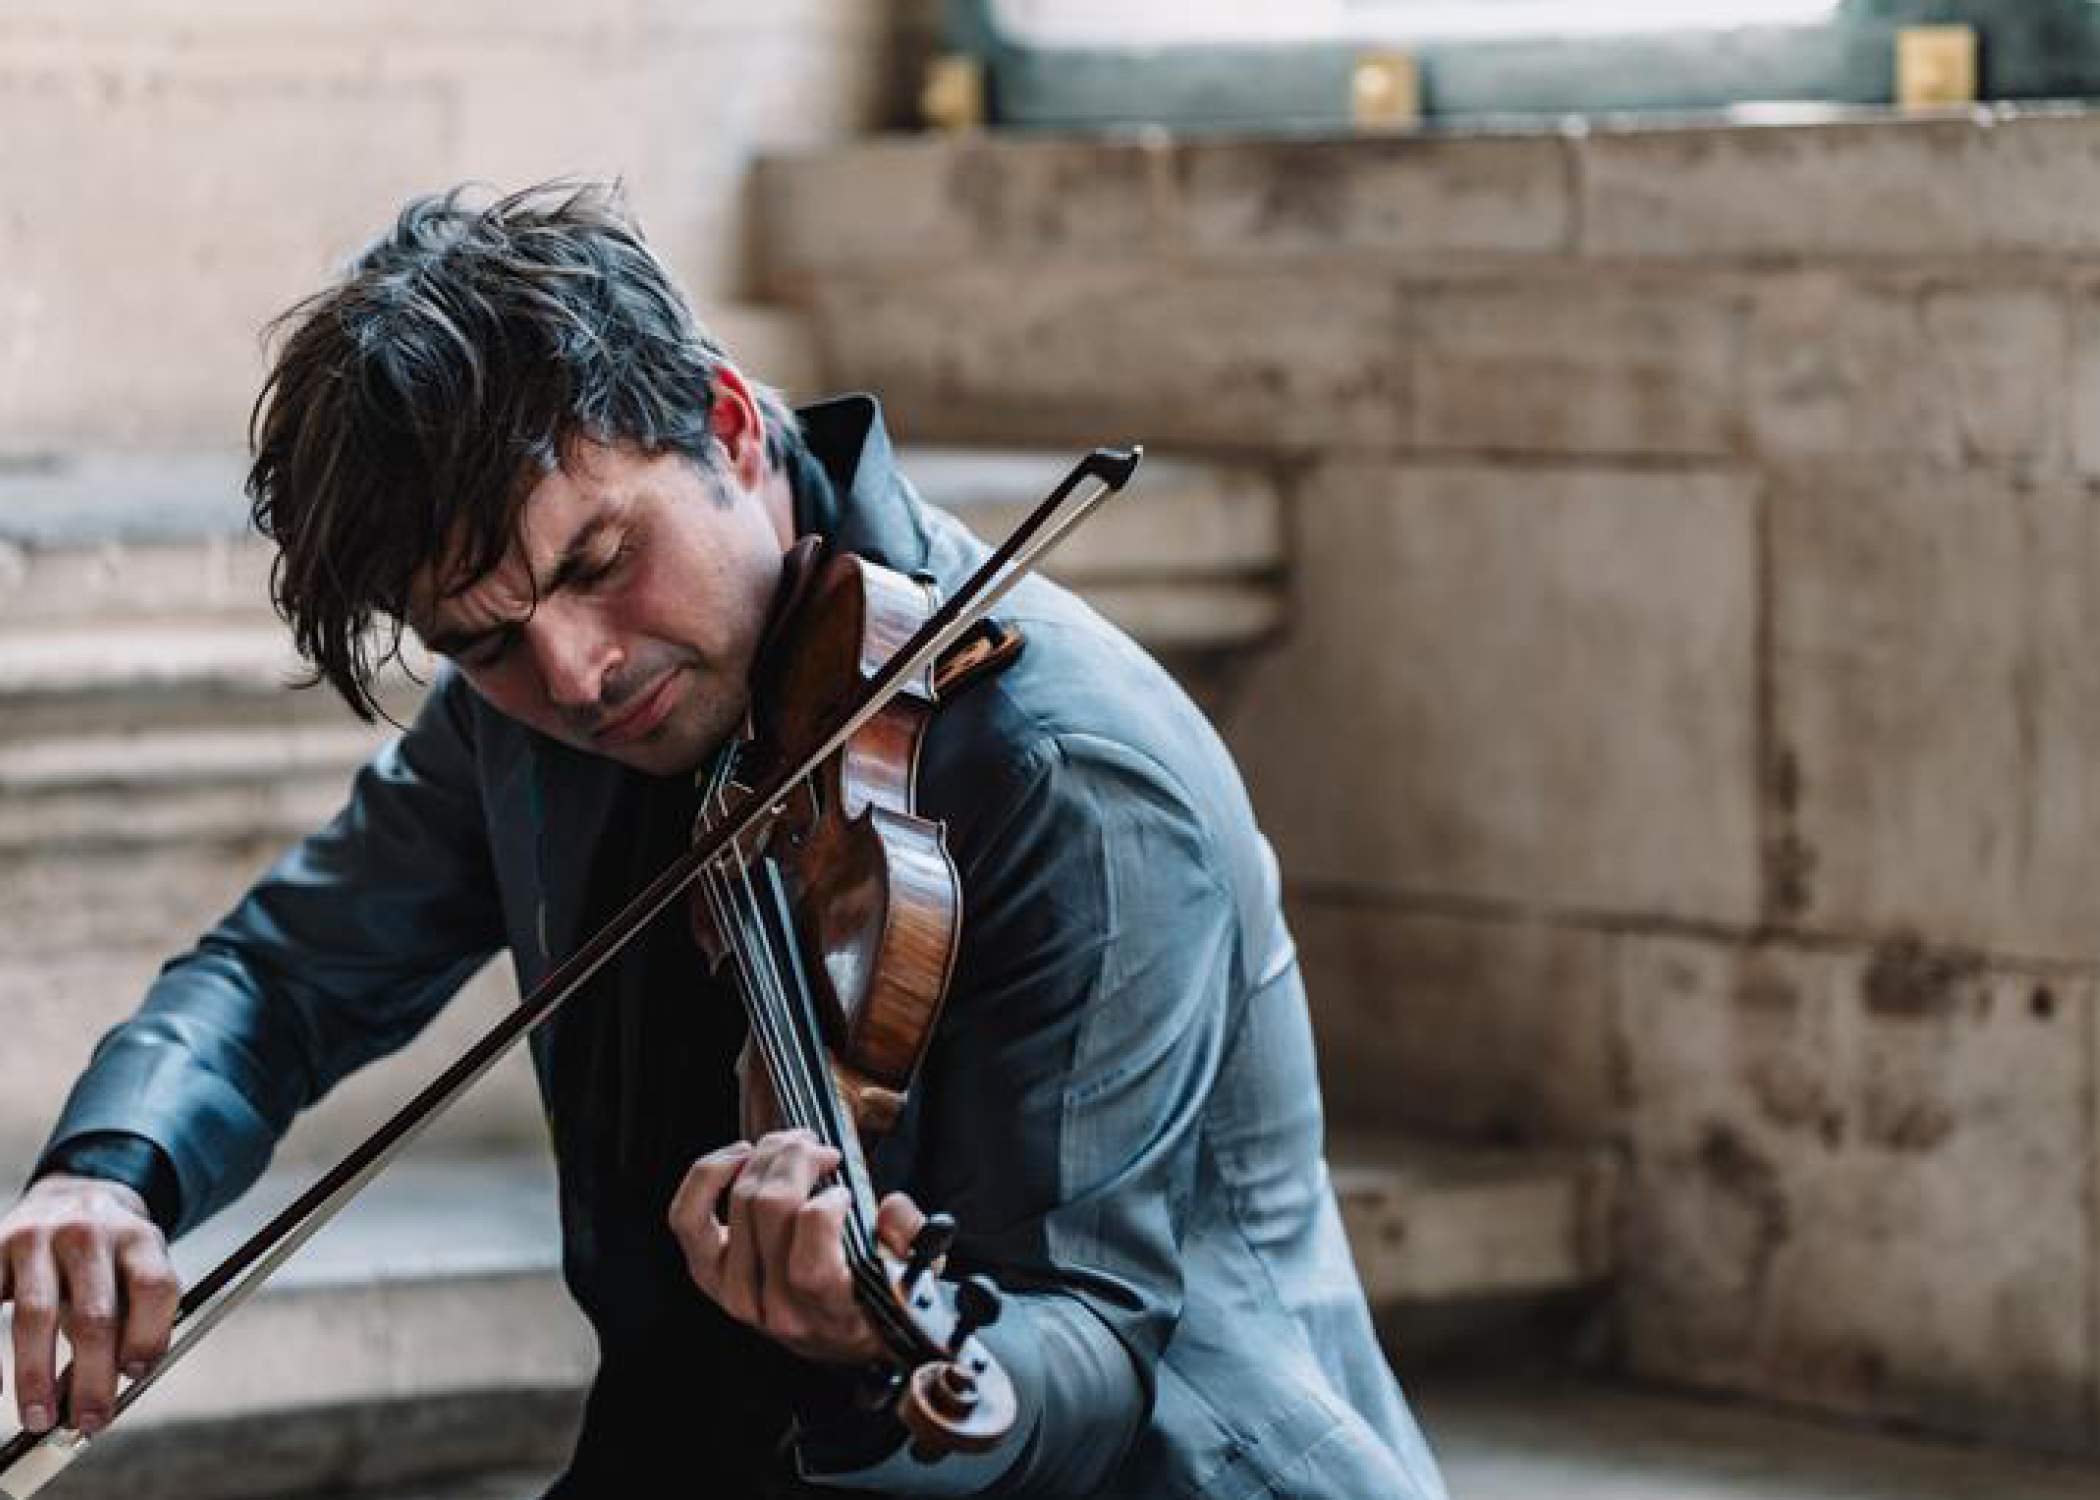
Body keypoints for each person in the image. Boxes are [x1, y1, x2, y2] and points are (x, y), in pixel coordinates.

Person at [0, 181, 1450, 1498]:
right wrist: (108, 1172)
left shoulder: (1064, 766)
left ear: (732, 429)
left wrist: (874, 1356)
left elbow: (1089, 1349)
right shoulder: (525, 699)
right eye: (486, 639)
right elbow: (283, 976)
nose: (574, 674)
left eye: (601, 562)